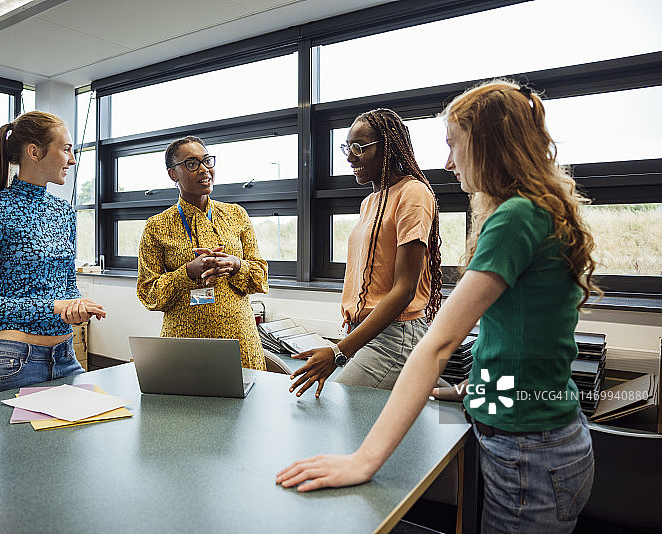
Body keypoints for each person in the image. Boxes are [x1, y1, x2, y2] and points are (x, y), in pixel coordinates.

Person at [276, 80, 599, 533]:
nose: (448, 161)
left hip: (530, 454)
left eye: (454, 144)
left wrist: (365, 461)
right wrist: (472, 389)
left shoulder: (515, 217)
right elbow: (526, 339)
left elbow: (438, 343)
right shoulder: (536, 210)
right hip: (547, 443)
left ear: (487, 145)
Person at [288, 108, 443, 397]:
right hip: (364, 331)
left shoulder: (413, 193)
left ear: (388, 147)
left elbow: (404, 289)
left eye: (359, 148)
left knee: (339, 405)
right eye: (347, 147)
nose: (349, 157)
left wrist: (337, 352)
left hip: (396, 335)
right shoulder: (370, 202)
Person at [0, 111, 106, 396]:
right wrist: (53, 307)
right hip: (12, 362)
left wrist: (75, 309)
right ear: (34, 151)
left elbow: (66, 285)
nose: (72, 159)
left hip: (65, 357)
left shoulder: (63, 211)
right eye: (66, 149)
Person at [136, 136, 268, 370]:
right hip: (185, 342)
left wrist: (236, 264)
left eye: (207, 161)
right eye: (191, 164)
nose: (204, 169)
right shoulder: (157, 226)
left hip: (239, 338)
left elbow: (260, 277)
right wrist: (187, 272)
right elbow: (148, 293)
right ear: (172, 174)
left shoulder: (236, 215)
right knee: (185, 406)